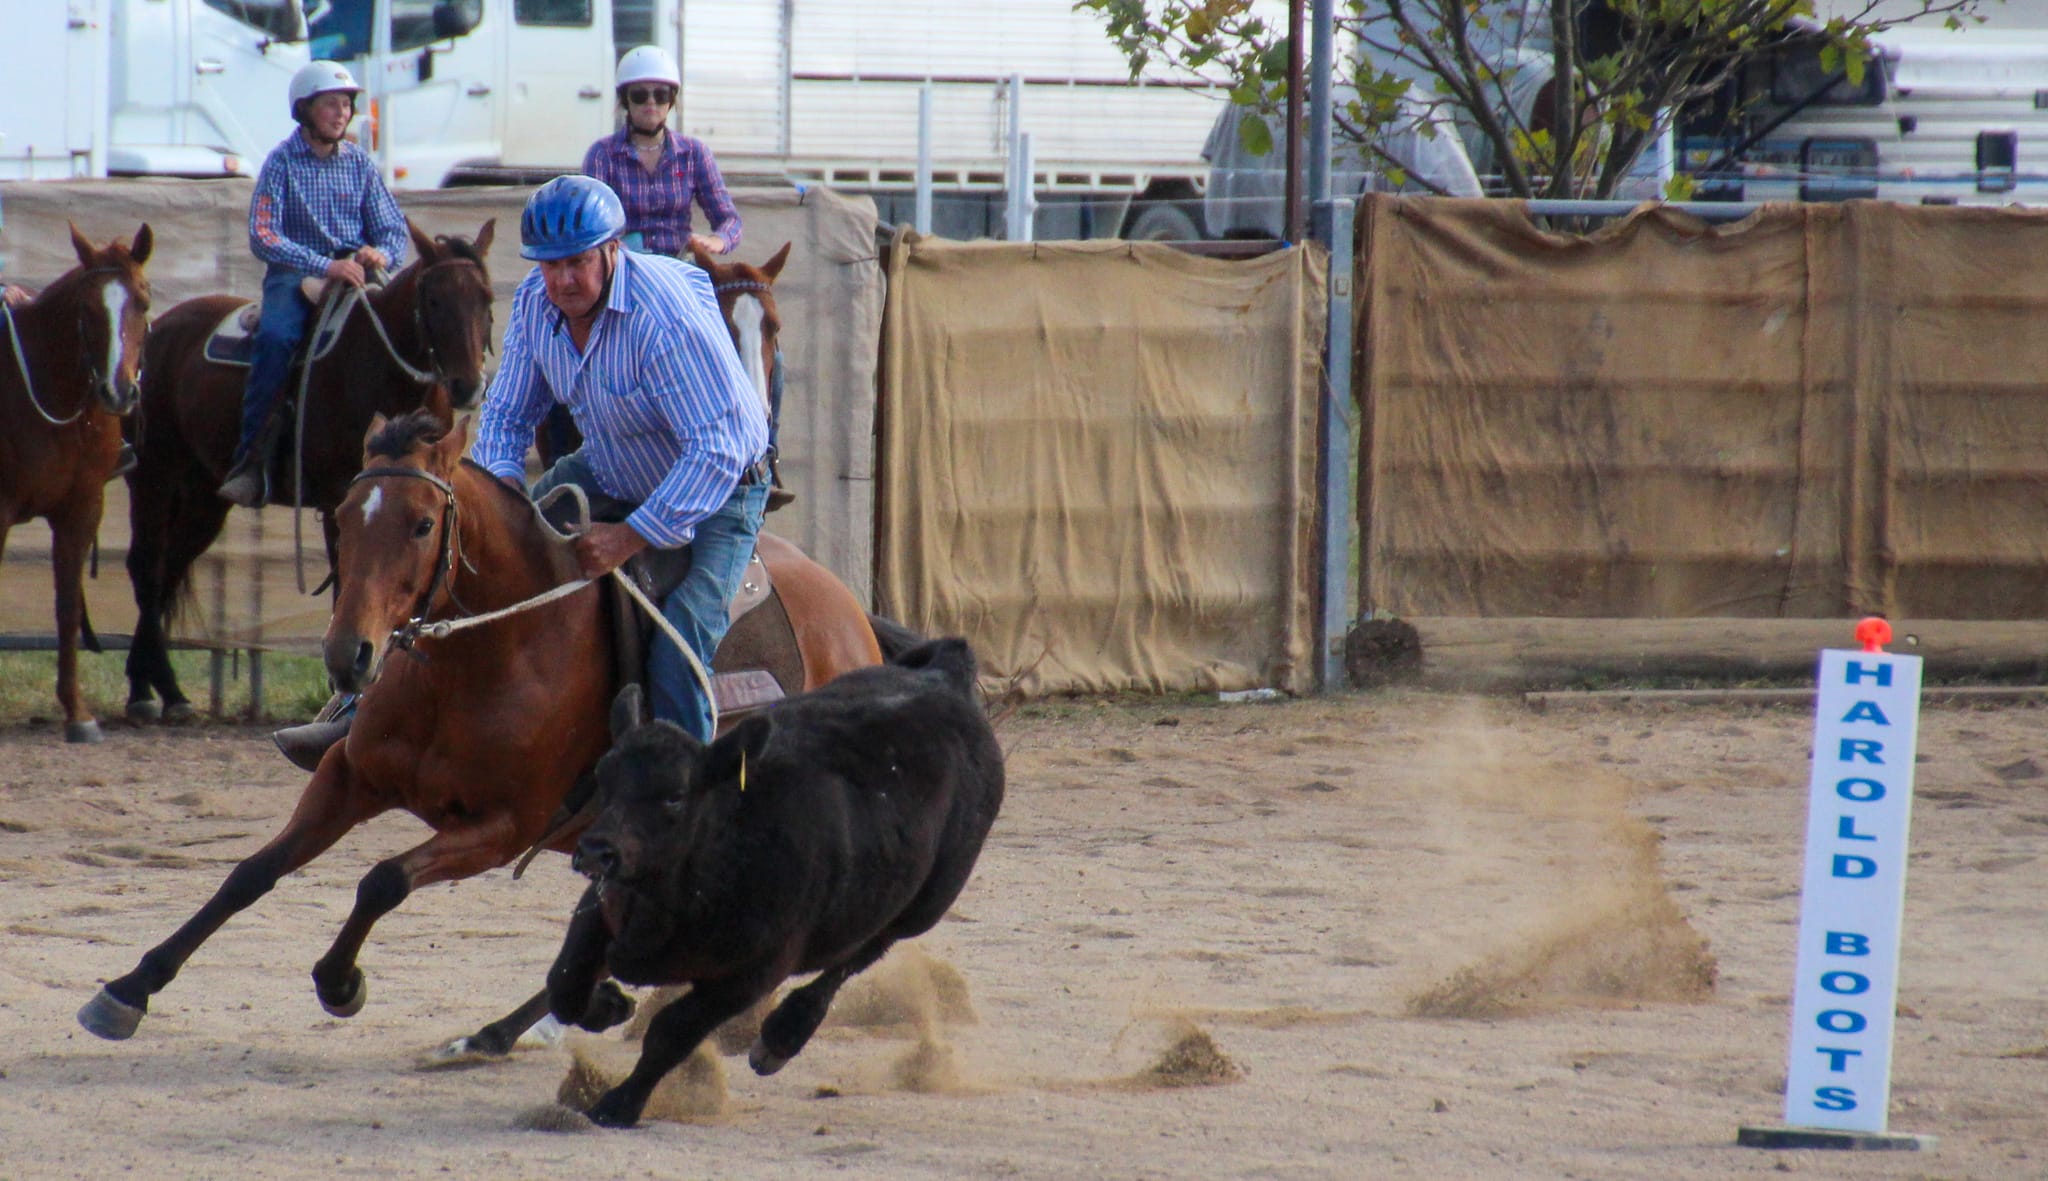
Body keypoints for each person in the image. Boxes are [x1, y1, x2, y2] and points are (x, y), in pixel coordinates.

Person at [472, 175, 770, 741]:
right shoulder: (536, 303)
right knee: (486, 558)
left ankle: (684, 800)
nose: (562, 279)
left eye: (577, 262)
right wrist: (502, 495)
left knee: (680, 642)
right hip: (611, 465)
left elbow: (716, 449)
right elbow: (507, 415)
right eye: (548, 264)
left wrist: (629, 536)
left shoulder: (664, 319)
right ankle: (367, 709)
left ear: (613, 250)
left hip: (722, 489)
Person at [218, 60, 409, 508]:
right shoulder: (281, 162)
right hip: (295, 277)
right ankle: (252, 459)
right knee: (278, 338)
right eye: (330, 104)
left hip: (358, 276)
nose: (341, 113)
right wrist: (325, 265)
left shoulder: (360, 163)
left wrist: (380, 253)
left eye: (346, 104)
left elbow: (393, 229)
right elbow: (263, 235)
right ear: (305, 110)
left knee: (395, 338)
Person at [581, 45, 742, 259]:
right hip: (623, 266)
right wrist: (613, 247)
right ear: (625, 100)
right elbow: (588, 223)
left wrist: (717, 241)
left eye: (661, 94)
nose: (651, 102)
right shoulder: (602, 154)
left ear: (672, 100)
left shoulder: (695, 153)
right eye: (639, 95)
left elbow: (730, 220)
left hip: (680, 266)